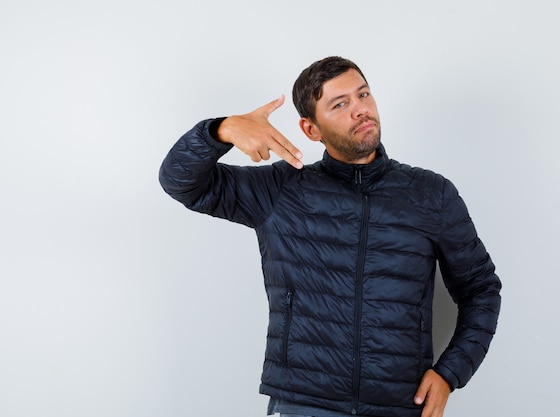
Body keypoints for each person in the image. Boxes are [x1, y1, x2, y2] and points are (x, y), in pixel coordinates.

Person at [159, 56, 501, 417]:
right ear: (311, 129)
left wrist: (449, 374)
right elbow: (181, 182)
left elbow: (480, 289)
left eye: (363, 95)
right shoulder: (281, 189)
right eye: (340, 104)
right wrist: (219, 131)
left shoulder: (431, 194)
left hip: (398, 403)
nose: (360, 110)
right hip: (305, 403)